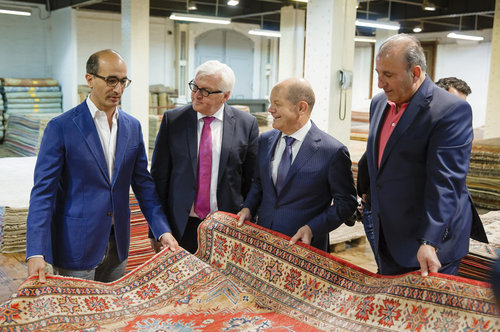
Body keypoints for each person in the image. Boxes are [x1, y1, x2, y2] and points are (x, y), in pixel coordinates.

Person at [26, 49, 178, 283]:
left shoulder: (132, 127)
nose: (118, 89)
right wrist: (36, 250)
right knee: (78, 315)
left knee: (111, 315)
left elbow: (144, 185)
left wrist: (161, 229)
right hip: (76, 244)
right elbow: (43, 193)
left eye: (123, 81)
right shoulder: (62, 127)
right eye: (110, 80)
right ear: (90, 79)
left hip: (118, 244)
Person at [366, 34, 479, 276]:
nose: (379, 83)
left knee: (427, 312)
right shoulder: (378, 104)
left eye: (388, 75)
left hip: (430, 243)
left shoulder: (449, 110)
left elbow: (445, 182)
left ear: (415, 73)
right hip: (387, 235)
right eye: (377, 72)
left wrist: (429, 241)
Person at [149, 60, 259, 254]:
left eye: (206, 91)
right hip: (180, 228)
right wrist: (157, 230)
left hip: (227, 228)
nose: (196, 95)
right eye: (195, 87)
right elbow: (159, 181)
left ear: (225, 96)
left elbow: (252, 179)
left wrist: (249, 211)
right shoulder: (173, 121)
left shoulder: (246, 124)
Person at [237, 77, 357, 252]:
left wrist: (312, 228)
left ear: (301, 108)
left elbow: (346, 203)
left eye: (277, 104)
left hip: (305, 249)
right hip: (263, 242)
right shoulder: (265, 140)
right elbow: (259, 183)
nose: (270, 110)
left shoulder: (332, 151)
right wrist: (248, 207)